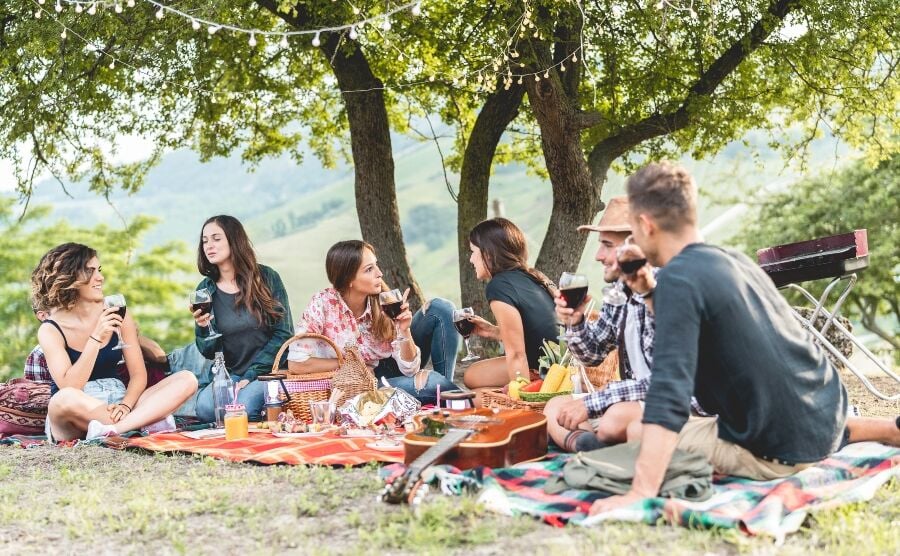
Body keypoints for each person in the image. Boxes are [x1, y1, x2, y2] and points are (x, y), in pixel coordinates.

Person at [590, 162, 900, 516]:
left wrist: (640, 492)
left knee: (636, 431)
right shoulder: (733, 261)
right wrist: (649, 294)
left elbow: (668, 395)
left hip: (777, 451)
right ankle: (885, 430)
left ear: (645, 226)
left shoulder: (677, 279)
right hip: (827, 415)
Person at [32, 243, 198, 442]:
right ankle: (141, 422)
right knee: (61, 399)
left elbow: (138, 374)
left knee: (187, 379)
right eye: (90, 271)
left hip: (120, 403)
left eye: (99, 270)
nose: (100, 277)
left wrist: (126, 405)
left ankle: (115, 429)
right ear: (69, 277)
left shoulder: (117, 311)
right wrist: (96, 338)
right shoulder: (50, 329)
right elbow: (70, 386)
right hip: (78, 408)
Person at [287, 240, 459, 405]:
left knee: (440, 308)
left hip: (395, 365)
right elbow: (296, 363)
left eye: (376, 265)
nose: (379, 273)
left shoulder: (385, 302)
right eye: (369, 269)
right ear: (349, 280)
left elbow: (410, 369)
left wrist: (404, 331)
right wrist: (353, 365)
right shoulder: (323, 304)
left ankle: (447, 397)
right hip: (364, 381)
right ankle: (454, 397)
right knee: (432, 383)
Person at [192, 215, 293, 422]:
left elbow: (284, 334)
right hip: (231, 375)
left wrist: (251, 375)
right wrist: (203, 329)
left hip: (268, 372)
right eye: (204, 241)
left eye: (216, 239)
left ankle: (268, 410)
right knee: (204, 408)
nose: (208, 246)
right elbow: (209, 351)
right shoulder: (205, 290)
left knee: (243, 407)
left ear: (234, 240)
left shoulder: (267, 278)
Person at [462, 218, 558, 390]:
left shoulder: (499, 285)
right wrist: (493, 331)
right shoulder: (532, 276)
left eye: (473, 251)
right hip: (559, 365)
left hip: (542, 369)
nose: (471, 259)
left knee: (474, 397)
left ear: (488, 253)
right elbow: (538, 332)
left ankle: (531, 391)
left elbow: (516, 354)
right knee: (472, 376)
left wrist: (520, 393)